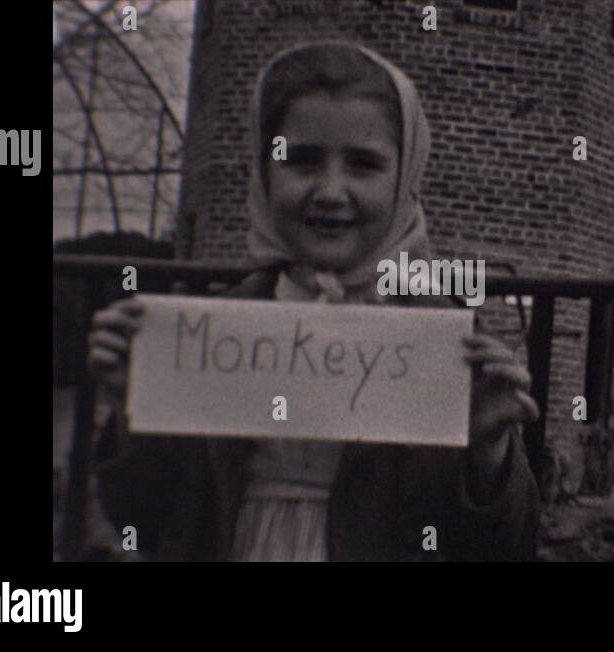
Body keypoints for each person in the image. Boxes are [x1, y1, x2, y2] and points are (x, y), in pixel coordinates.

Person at [86, 41, 540, 561]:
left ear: (404, 178)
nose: (330, 190)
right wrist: (135, 407)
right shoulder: (212, 335)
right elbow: (143, 520)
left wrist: (488, 453)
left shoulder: (446, 349)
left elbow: (501, 547)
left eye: (363, 164)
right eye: (301, 160)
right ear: (263, 171)